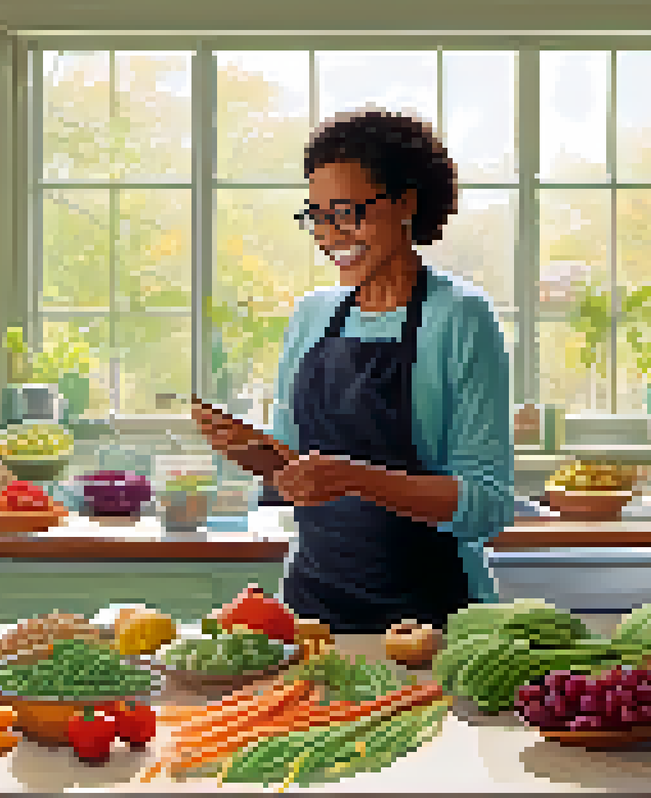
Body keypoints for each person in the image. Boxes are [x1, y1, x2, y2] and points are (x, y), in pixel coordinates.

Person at [194, 108, 515, 634]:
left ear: (406, 202)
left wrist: (350, 477)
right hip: (312, 608)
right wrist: (250, 449)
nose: (330, 235)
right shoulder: (312, 315)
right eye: (317, 216)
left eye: (347, 212)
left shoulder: (460, 316)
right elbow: (296, 469)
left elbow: (483, 506)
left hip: (433, 617)